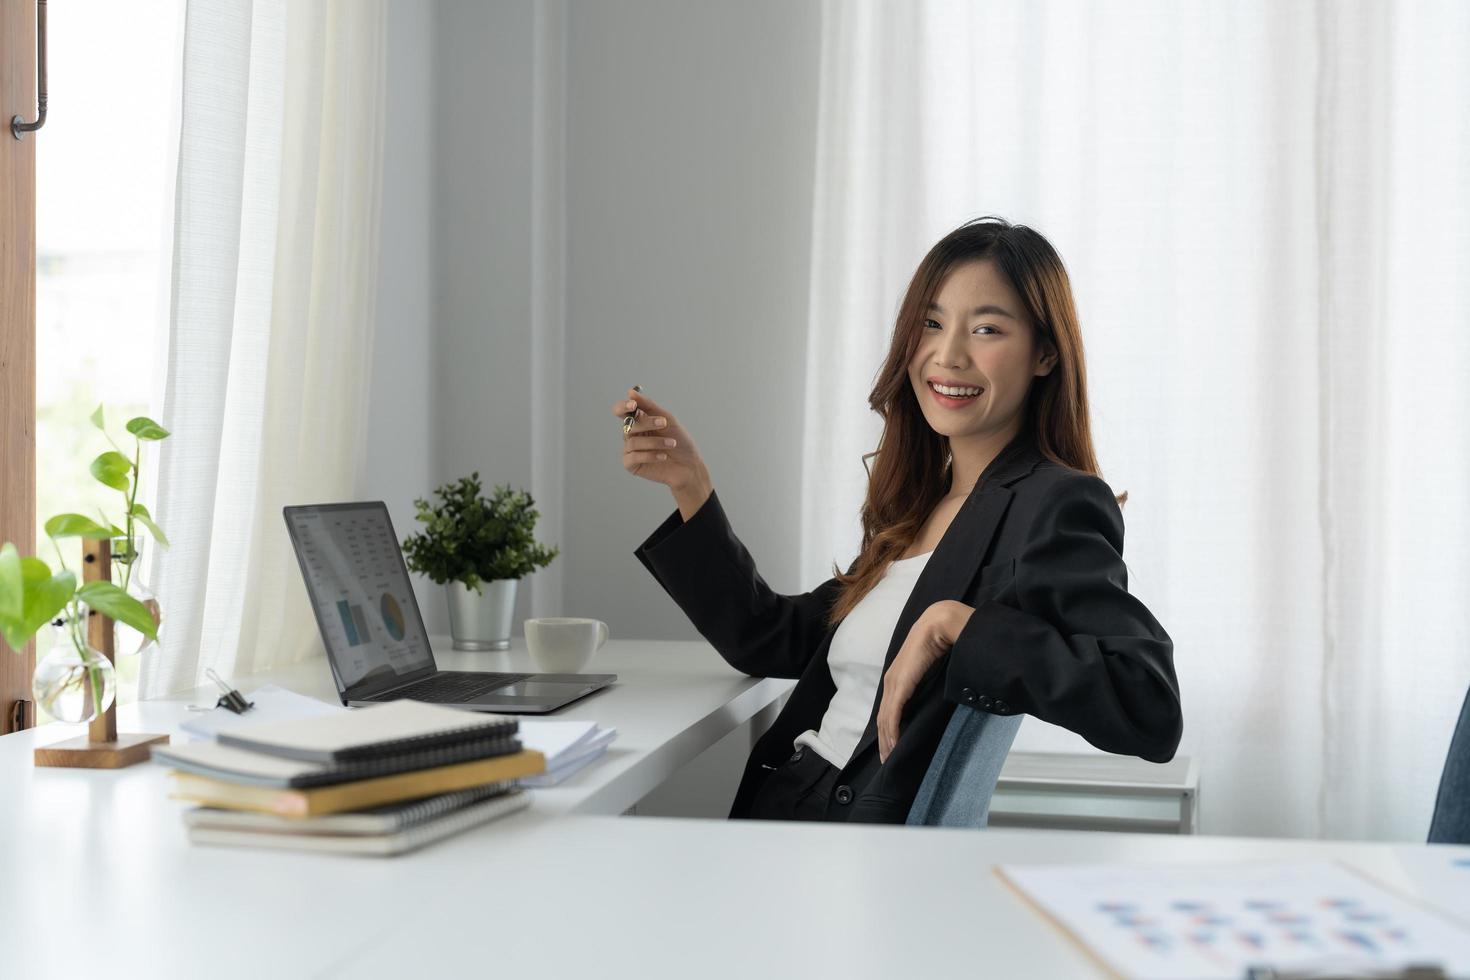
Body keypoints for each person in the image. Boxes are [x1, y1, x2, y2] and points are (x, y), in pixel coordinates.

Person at [612, 215, 1182, 824]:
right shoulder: (923, 508)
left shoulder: (1055, 504)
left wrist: (957, 625)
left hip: (847, 838)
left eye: (986, 328)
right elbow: (770, 638)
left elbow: (1148, 707)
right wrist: (692, 487)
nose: (948, 354)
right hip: (792, 806)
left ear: (1045, 354)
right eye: (931, 323)